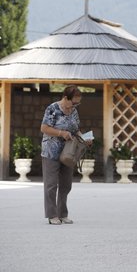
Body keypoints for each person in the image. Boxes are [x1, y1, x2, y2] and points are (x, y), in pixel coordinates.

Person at [40, 85, 86, 225]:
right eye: (74, 102)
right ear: (66, 98)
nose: (75, 105)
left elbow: (76, 130)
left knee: (66, 185)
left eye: (78, 103)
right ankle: (52, 215)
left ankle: (62, 214)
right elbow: (44, 128)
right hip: (51, 151)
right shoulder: (52, 109)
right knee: (51, 185)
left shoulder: (74, 111)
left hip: (68, 152)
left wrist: (84, 139)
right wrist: (61, 133)